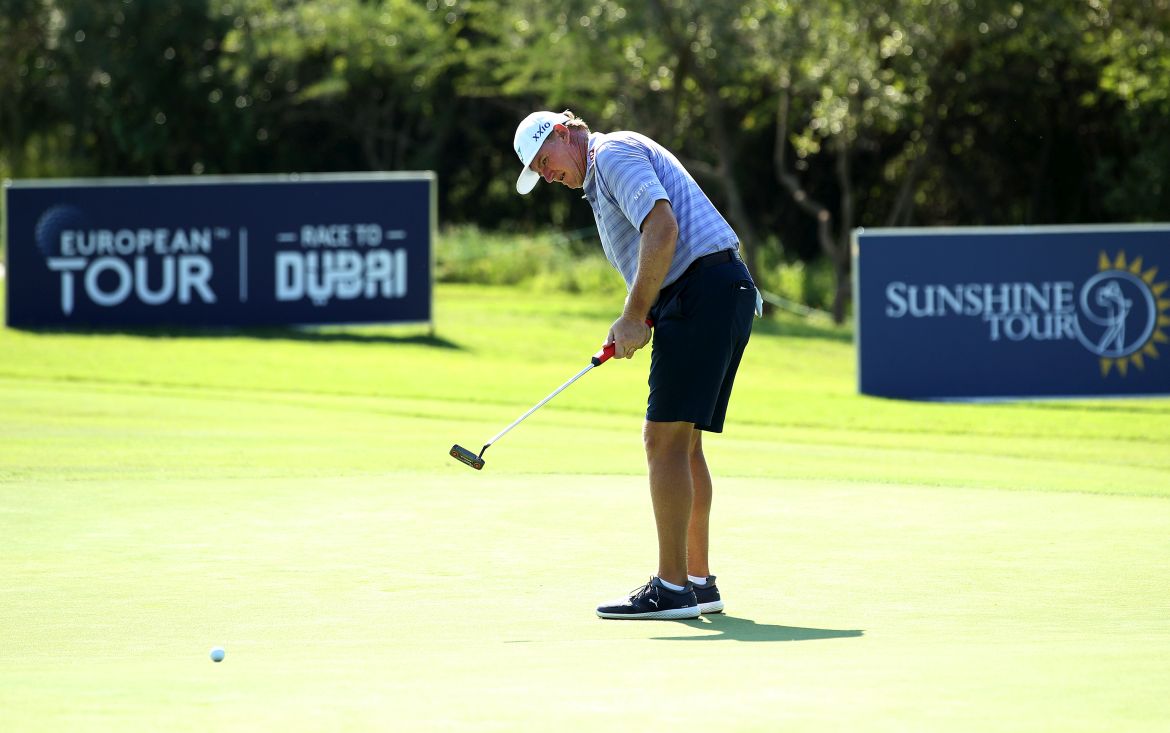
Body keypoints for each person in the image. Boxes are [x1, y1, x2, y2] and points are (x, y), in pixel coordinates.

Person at [513, 109, 759, 620]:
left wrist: (632, 315)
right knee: (683, 441)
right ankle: (697, 582)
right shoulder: (601, 173)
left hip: (702, 291)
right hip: (713, 291)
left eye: (545, 160)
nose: (547, 174)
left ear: (564, 131)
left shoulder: (611, 154)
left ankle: (672, 589)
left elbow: (662, 228)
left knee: (662, 438)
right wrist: (641, 314)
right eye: (537, 171)